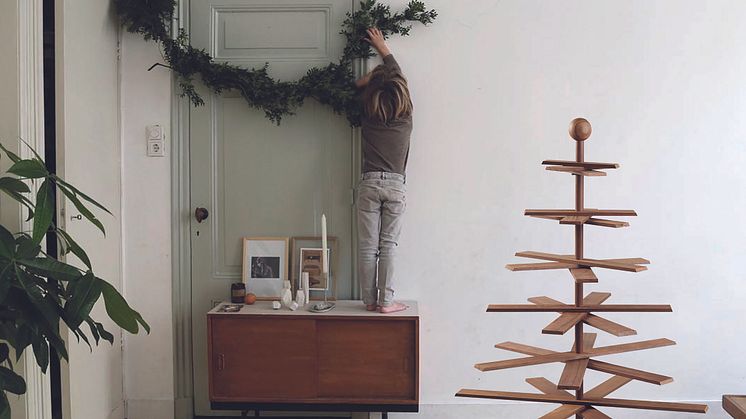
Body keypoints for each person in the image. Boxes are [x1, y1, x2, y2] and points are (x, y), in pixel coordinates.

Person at [355, 27, 413, 314]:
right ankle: (386, 302)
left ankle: (368, 301)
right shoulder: (406, 114)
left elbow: (357, 87)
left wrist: (364, 80)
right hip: (395, 185)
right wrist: (383, 48)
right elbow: (396, 73)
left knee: (368, 247)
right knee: (388, 245)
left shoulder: (367, 113)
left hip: (368, 184)